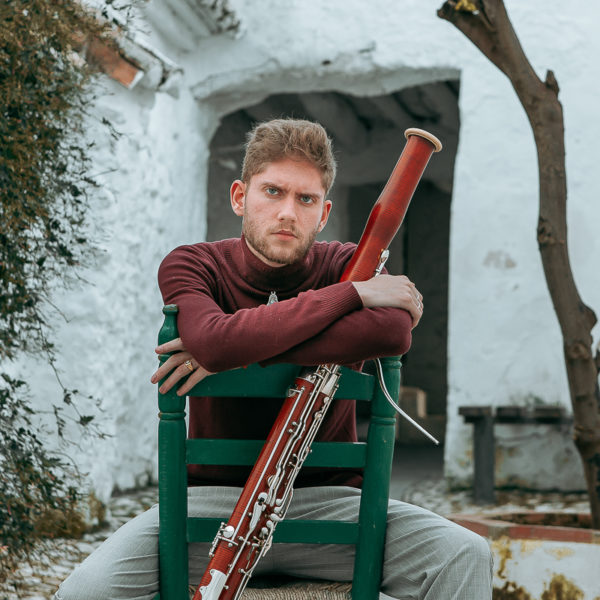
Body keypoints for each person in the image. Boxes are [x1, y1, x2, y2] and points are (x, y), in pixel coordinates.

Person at [55, 118, 492, 600]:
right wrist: (348, 298)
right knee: (86, 590)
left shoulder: (346, 263)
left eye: (305, 199)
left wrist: (230, 349)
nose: (287, 212)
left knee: (466, 554)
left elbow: (391, 331)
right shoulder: (192, 264)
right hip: (206, 509)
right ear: (241, 197)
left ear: (323, 212)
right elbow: (213, 340)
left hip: (331, 506)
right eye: (273, 192)